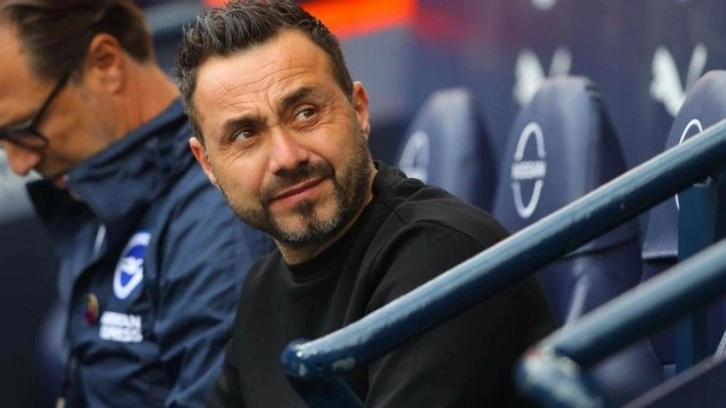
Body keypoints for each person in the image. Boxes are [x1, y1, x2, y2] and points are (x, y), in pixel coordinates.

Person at [176, 1, 555, 406]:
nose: (286, 157)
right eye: (245, 135)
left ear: (358, 109)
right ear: (208, 164)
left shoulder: (440, 257)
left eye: (305, 113)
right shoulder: (260, 290)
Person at [0, 0, 273, 406]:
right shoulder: (94, 191)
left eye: (24, 129)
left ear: (106, 64)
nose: (19, 164)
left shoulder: (219, 216)